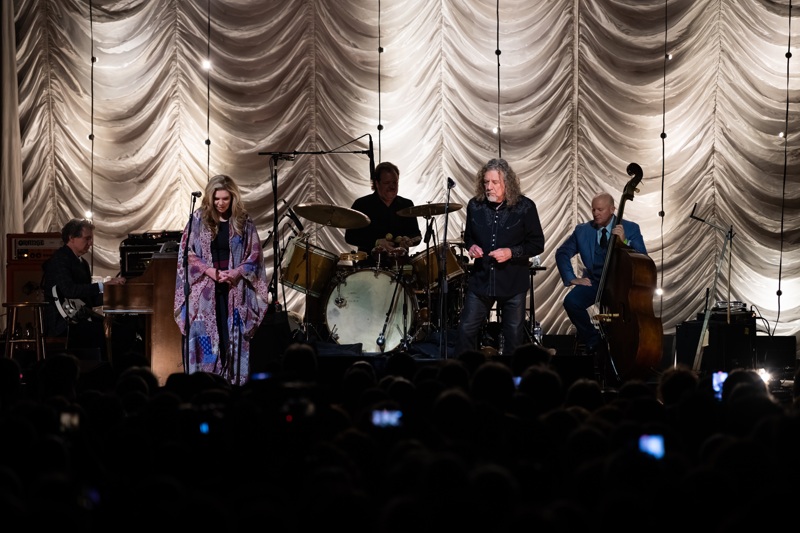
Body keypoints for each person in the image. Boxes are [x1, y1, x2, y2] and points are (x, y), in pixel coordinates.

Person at [173, 174, 270, 386]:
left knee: (231, 340)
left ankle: (233, 386)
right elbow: (187, 253)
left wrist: (236, 272)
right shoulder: (198, 220)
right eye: (216, 198)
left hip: (234, 290)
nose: (220, 203)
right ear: (210, 198)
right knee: (207, 341)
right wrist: (210, 271)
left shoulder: (244, 221)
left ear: (232, 198)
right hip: (206, 294)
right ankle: (208, 383)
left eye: (225, 199)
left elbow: (255, 255)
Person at [453, 158, 545, 358]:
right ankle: (465, 378)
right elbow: (468, 237)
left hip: (512, 283)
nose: (489, 187)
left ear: (507, 184)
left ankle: (513, 383)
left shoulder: (525, 207)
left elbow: (537, 243)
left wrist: (511, 252)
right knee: (466, 329)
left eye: (494, 182)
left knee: (513, 336)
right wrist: (472, 246)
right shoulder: (475, 206)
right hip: (481, 281)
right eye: (486, 182)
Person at [554, 191, 647, 360]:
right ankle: (594, 341)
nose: (595, 213)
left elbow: (643, 257)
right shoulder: (582, 230)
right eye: (593, 210)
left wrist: (624, 242)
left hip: (620, 285)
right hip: (595, 282)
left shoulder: (630, 228)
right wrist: (572, 277)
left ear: (612, 209)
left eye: (600, 210)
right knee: (571, 302)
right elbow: (562, 252)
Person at [42, 218, 127, 360]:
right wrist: (103, 285)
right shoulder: (60, 259)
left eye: (91, 239)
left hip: (78, 318)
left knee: (120, 328)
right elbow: (70, 290)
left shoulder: (83, 263)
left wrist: (116, 294)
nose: (91, 243)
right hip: (63, 323)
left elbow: (90, 300)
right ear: (71, 238)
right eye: (87, 238)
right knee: (110, 333)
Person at [344, 161, 422, 268]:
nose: (392, 186)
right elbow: (350, 237)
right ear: (377, 183)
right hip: (369, 265)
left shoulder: (407, 204)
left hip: (399, 265)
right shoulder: (362, 204)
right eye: (387, 183)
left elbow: (417, 235)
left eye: (395, 182)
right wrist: (376, 242)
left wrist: (410, 241)